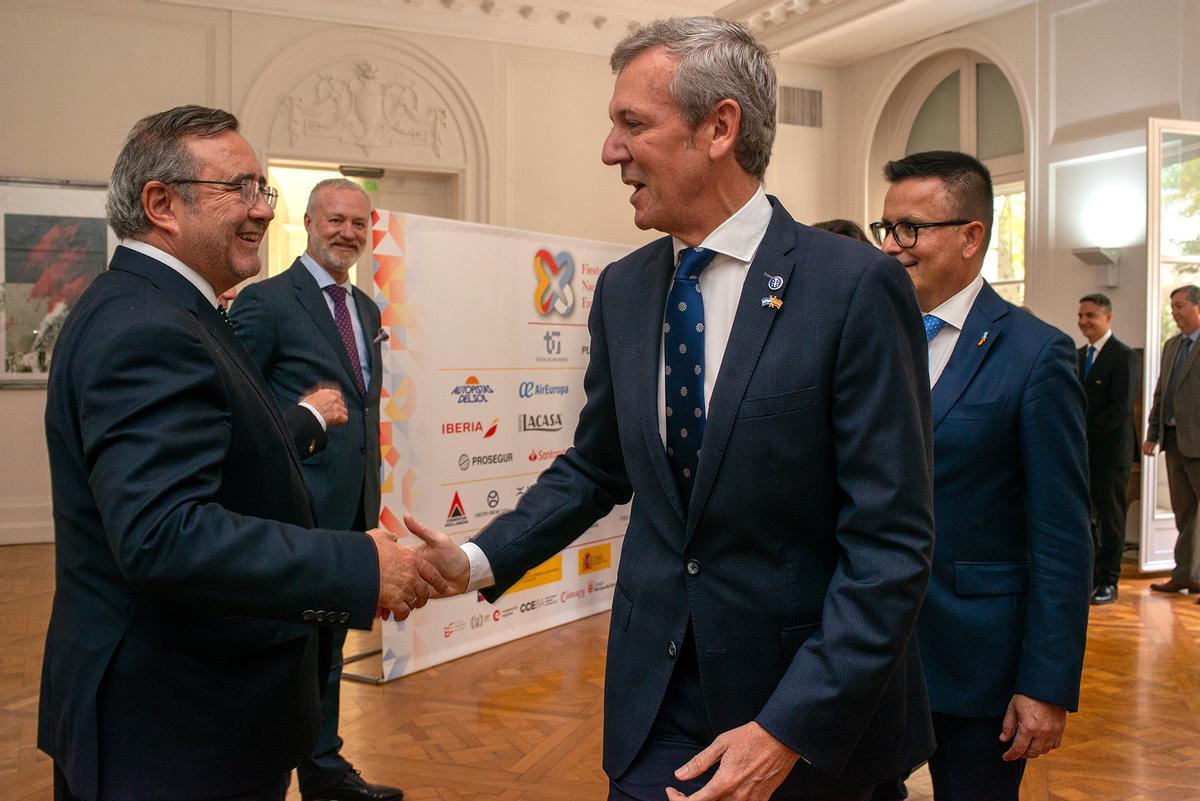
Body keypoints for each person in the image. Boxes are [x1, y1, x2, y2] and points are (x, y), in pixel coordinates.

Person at [407, 17, 936, 801]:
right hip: (656, 704)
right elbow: (596, 466)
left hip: (805, 715)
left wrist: (788, 726)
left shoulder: (853, 287)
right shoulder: (626, 288)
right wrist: (480, 558)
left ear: (719, 127)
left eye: (631, 123)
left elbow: (890, 544)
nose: (610, 151)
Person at [39, 105, 446, 801]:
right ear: (161, 204)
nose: (262, 210)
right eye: (243, 189)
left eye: (266, 190)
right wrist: (355, 562)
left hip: (194, 713)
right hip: (170, 728)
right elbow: (163, 534)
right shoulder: (148, 327)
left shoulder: (167, 310)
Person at [873, 150, 1091, 801]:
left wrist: (1045, 683)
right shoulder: (869, 337)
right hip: (865, 656)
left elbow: (1061, 532)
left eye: (910, 229)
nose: (890, 246)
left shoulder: (1036, 354)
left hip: (978, 666)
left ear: (971, 236)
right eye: (886, 227)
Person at [232, 179, 401, 801]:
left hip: (350, 509)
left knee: (329, 643)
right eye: (336, 220)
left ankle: (323, 769)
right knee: (286, 648)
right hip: (289, 513)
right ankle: (266, 771)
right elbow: (237, 415)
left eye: (359, 223)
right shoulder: (266, 302)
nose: (347, 233)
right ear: (307, 221)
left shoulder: (368, 310)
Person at [1076, 293, 1139, 605]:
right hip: (1081, 454)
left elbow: (1120, 409)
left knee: (1111, 520)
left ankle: (1109, 582)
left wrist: (1081, 433)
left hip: (1111, 455)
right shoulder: (1076, 356)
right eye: (1081, 316)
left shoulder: (1124, 356)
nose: (1083, 322)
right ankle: (1087, 576)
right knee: (1084, 518)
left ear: (1107, 318)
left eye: (1090, 316)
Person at [1143, 284, 1200, 597]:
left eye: (1179, 306)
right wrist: (1153, 433)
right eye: (1172, 306)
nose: (1174, 312)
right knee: (1184, 513)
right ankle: (1185, 576)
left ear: (1197, 307)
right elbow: (1161, 392)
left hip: (1198, 441)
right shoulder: (1171, 345)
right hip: (1174, 439)